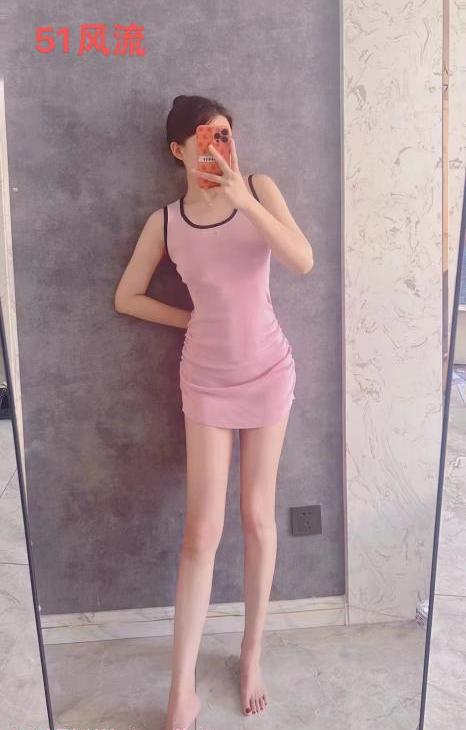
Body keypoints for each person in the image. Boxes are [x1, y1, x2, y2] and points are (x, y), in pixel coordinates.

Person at [114, 95, 313, 730]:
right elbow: (127, 297)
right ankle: (181, 690)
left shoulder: (259, 187)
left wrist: (242, 198)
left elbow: (302, 260)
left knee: (257, 517)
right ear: (179, 150)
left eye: (225, 134)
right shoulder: (165, 223)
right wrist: (191, 319)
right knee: (200, 533)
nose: (219, 147)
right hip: (205, 380)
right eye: (206, 139)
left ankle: (251, 655)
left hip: (268, 370)